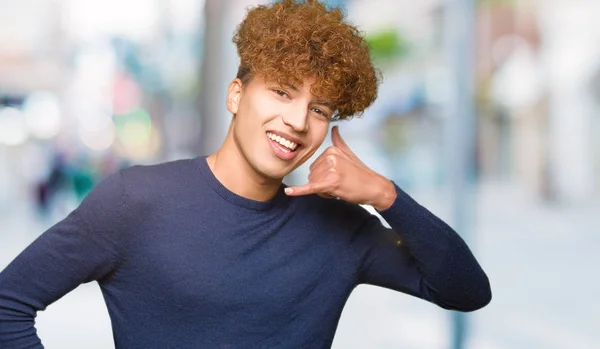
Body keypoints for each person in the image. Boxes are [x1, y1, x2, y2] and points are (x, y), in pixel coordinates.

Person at [0, 0, 491, 348]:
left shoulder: (341, 229)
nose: (298, 121)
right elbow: (8, 305)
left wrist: (386, 195)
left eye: (319, 109)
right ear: (236, 95)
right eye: (281, 92)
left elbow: (466, 291)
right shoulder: (135, 202)